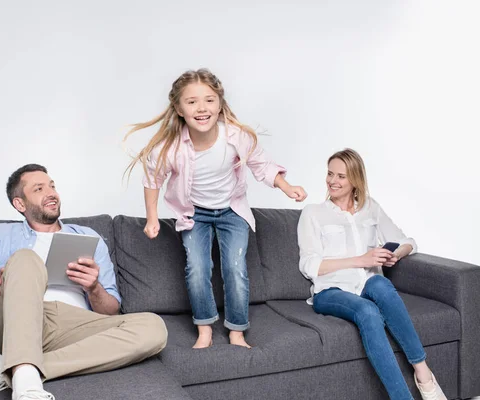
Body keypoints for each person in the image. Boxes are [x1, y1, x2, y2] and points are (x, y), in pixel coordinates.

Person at [0, 164, 168, 400]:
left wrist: (94, 288)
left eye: (52, 186)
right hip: (14, 321)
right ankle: (27, 386)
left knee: (153, 327)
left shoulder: (89, 238)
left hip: (73, 326)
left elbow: (111, 312)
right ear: (20, 204)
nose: (51, 193)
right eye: (39, 189)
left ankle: (11, 368)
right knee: (25, 259)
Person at [124, 69, 307, 349]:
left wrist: (286, 186)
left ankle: (236, 330)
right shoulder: (170, 148)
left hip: (232, 212)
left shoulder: (235, 137)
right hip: (195, 214)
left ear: (219, 103)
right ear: (179, 108)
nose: (202, 108)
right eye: (192, 102)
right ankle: (205, 328)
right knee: (197, 268)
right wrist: (152, 219)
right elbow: (153, 178)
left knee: (235, 268)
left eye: (209, 100)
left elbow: (260, 163)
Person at [297, 148, 446, 400]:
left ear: (355, 179)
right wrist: (361, 259)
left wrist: (396, 254)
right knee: (368, 311)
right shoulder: (313, 213)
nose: (332, 181)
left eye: (341, 176)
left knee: (381, 285)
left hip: (367, 283)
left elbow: (407, 241)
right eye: (330, 174)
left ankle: (423, 374)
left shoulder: (370, 208)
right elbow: (309, 265)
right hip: (330, 290)